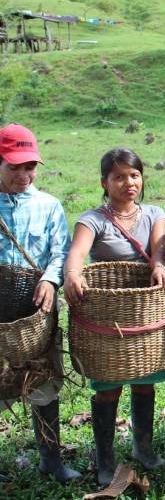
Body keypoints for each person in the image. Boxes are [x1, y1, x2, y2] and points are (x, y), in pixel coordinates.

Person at [64, 148, 165, 486]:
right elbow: (78, 254)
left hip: (144, 315)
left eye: (135, 175)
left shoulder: (154, 213)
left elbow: (159, 250)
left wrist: (158, 266)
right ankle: (105, 460)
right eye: (119, 177)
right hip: (108, 318)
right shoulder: (93, 219)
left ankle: (143, 448)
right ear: (105, 182)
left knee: (144, 381)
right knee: (108, 388)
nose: (129, 183)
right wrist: (72, 274)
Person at [0, 124, 81, 483]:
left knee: (43, 383)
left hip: (36, 312)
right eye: (13, 167)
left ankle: (52, 460)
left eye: (29, 166)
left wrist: (50, 278)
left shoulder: (48, 205)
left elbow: (60, 250)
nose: (23, 175)